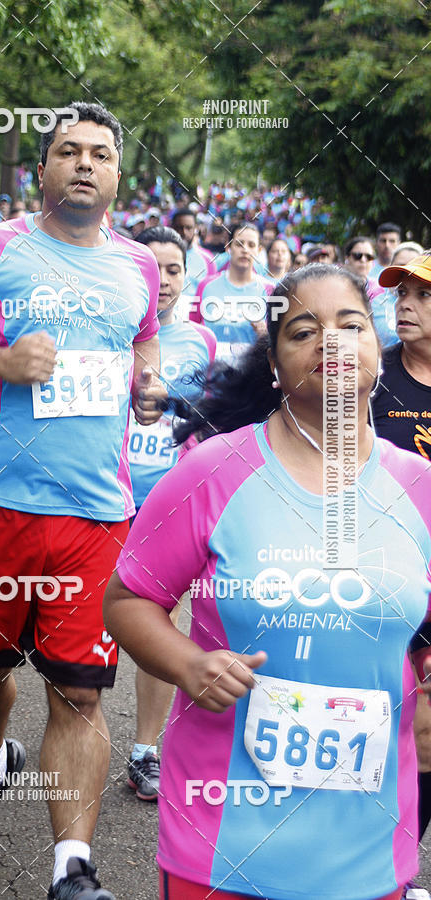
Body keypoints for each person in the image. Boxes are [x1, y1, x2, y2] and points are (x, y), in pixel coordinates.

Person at [105, 263, 431, 900]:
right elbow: (128, 598)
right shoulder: (214, 471)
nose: (331, 342)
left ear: (378, 351)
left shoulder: (421, 488)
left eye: (351, 325)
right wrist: (188, 665)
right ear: (276, 365)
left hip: (365, 844)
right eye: (304, 330)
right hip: (222, 833)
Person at [0, 100, 164, 900]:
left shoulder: (140, 265)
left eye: (99, 153)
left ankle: (72, 870)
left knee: (79, 691)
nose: (84, 163)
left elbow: (145, 334)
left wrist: (147, 380)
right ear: (42, 170)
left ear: (119, 175)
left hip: (98, 515)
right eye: (68, 151)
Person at [126, 225, 216, 802]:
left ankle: (143, 751)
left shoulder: (202, 341)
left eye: (176, 268)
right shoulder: (110, 327)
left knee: (158, 621)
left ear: (188, 277)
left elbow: (211, 410)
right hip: (101, 496)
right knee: (83, 624)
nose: (164, 279)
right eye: (154, 267)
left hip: (170, 500)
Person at [370, 250, 431, 900]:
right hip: (378, 575)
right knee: (381, 719)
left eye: (422, 295)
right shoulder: (372, 380)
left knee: (428, 731)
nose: (405, 304)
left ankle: (399, 868)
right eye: (401, 293)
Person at [191, 222, 272, 364]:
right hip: (210, 374)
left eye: (251, 245)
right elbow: (191, 329)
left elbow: (279, 342)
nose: (245, 250)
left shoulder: (270, 290)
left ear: (259, 250)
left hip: (251, 374)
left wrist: (265, 335)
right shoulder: (206, 286)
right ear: (228, 247)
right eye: (239, 244)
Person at [343, 236, 393, 346]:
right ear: (347, 258)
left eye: (369, 257)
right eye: (357, 256)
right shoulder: (334, 287)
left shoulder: (383, 289)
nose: (363, 260)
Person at [171, 208, 216, 294]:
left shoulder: (207, 260)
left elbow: (212, 293)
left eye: (188, 228)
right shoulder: (162, 256)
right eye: (179, 228)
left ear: (195, 229)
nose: (184, 232)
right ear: (172, 228)